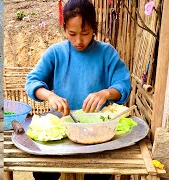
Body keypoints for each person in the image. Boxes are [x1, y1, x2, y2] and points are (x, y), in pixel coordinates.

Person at [25, 0, 132, 179]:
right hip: (61, 127)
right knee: (44, 172)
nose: (79, 41)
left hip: (96, 129)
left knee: (98, 173)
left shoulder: (107, 53)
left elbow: (123, 85)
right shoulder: (56, 52)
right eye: (72, 34)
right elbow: (32, 82)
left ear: (94, 28)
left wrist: (106, 93)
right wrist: (50, 95)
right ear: (64, 29)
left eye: (85, 33)